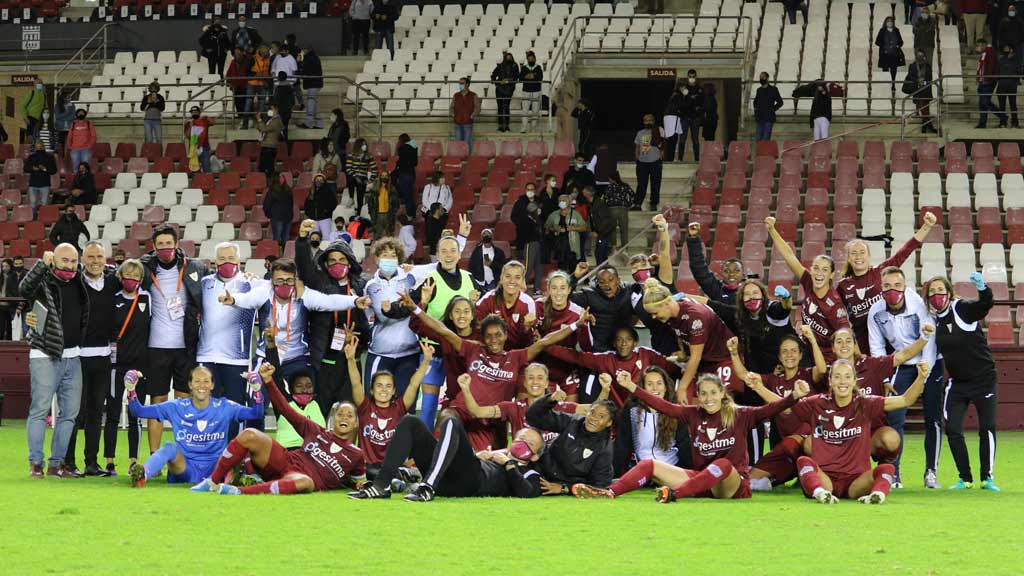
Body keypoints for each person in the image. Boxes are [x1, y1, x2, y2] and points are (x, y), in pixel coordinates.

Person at [572, 372, 807, 501]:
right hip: (701, 481)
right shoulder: (693, 414)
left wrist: (794, 396)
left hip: (732, 487)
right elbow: (663, 405)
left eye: (713, 393)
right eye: (703, 394)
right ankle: (610, 493)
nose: (708, 398)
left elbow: (771, 410)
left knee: (723, 463)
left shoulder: (740, 414)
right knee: (650, 464)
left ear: (722, 394)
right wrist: (633, 388)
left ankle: (675, 495)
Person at [404, 289, 592, 449]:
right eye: (488, 336)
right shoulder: (473, 349)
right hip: (463, 410)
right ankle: (431, 463)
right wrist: (415, 308)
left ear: (505, 336)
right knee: (446, 416)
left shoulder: (515, 357)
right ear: (483, 338)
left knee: (496, 452)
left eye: (498, 335)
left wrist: (576, 324)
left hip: (492, 417)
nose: (493, 340)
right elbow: (443, 330)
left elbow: (545, 342)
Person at [195, 362, 366, 495]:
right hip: (285, 461)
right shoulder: (317, 431)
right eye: (340, 414)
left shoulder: (356, 454)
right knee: (249, 435)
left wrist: (359, 484)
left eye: (349, 415)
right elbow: (285, 409)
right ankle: (212, 481)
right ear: (333, 419)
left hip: (303, 479)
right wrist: (268, 381)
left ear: (356, 423)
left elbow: (358, 481)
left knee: (305, 483)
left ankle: (239, 491)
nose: (344, 418)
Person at [792, 359, 929, 504]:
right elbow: (786, 407)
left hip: (856, 482)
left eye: (847, 376)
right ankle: (820, 493)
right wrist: (793, 395)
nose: (842, 381)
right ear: (830, 381)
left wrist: (921, 377)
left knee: (887, 468)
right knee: (803, 461)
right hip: (826, 479)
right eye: (837, 377)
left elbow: (905, 400)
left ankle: (877, 495)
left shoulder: (865, 403)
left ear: (854, 381)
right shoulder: (817, 402)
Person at [219, 258, 370, 387]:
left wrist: (355, 301)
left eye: (289, 280)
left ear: (295, 279)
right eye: (279, 280)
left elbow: (329, 301)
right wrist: (232, 300)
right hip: (265, 357)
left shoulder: (303, 294)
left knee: (302, 402)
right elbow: (247, 299)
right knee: (257, 399)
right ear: (271, 280)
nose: (284, 284)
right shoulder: (263, 291)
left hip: (298, 358)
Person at [347, 413, 545, 501]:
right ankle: (382, 485)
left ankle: (426, 487)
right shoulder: (496, 453)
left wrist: (509, 463)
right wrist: (487, 455)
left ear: (535, 455)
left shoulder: (529, 472)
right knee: (410, 422)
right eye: (521, 437)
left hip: (472, 482)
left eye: (530, 443)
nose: (522, 442)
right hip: (449, 475)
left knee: (451, 421)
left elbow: (527, 493)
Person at [122, 367, 263, 487]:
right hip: (185, 468)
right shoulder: (176, 406)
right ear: (190, 385)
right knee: (169, 447)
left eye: (206, 381)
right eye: (197, 381)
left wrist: (257, 391)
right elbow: (138, 411)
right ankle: (142, 474)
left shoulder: (224, 406)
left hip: (216, 469)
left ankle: (247, 477)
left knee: (241, 444)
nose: (201, 385)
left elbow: (256, 414)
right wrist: (131, 390)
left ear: (212, 385)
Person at [867, 266, 941, 488]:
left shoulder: (918, 304)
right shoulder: (876, 312)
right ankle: (894, 473)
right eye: (887, 286)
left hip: (929, 363)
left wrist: (924, 376)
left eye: (897, 286)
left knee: (933, 419)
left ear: (905, 286)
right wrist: (885, 379)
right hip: (900, 365)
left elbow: (929, 337)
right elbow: (877, 347)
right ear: (881, 287)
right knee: (894, 419)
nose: (892, 290)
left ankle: (931, 472)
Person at [925, 274, 1000, 491]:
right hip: (957, 384)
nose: (936, 295)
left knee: (987, 427)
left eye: (940, 290)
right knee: (953, 429)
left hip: (984, 379)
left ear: (948, 292)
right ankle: (965, 478)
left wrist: (983, 288)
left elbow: (984, 305)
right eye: (931, 292)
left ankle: (987, 478)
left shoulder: (961, 309)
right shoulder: (933, 321)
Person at [21, 244, 89, 478]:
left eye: (73, 261)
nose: (69, 266)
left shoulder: (80, 282)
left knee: (70, 413)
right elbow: (24, 288)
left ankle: (56, 464)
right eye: (65, 261)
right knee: (40, 409)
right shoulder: (43, 281)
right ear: (54, 261)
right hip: (44, 354)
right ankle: (36, 463)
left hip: (73, 355)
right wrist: (41, 264)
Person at [727, 330, 826, 488]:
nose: (789, 355)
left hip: (808, 439)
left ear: (801, 355)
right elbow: (744, 375)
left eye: (794, 350)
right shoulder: (773, 380)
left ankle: (815, 477)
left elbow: (822, 370)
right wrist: (733, 353)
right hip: (785, 446)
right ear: (779, 357)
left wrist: (812, 340)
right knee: (751, 478)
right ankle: (778, 481)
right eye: (785, 351)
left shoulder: (807, 375)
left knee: (791, 444)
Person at [139, 226, 207, 452]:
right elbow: (121, 276)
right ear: (154, 247)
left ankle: (183, 455)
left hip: (185, 347)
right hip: (155, 346)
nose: (165, 249)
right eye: (161, 245)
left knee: (183, 403)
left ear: (177, 244)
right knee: (157, 403)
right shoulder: (144, 269)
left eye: (169, 244)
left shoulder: (195, 267)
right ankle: (154, 457)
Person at [295, 219, 371, 415]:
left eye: (342, 260)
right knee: (322, 410)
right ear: (326, 263)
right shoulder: (319, 282)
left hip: (351, 359)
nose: (337, 264)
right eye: (332, 260)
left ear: (350, 261)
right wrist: (302, 240)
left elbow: (364, 323)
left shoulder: (360, 285)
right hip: (324, 358)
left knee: (350, 410)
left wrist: (355, 340)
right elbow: (304, 266)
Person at [58, 242, 118, 476]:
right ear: (82, 259)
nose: (95, 260)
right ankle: (67, 462)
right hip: (77, 357)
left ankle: (91, 463)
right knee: (75, 412)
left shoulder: (113, 280)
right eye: (91, 256)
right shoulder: (75, 282)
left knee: (95, 412)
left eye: (99, 256)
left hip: (102, 357)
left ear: (106, 258)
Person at [837, 212, 935, 353]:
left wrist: (926, 227)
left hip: (890, 338)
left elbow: (905, 251)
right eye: (853, 253)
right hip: (862, 344)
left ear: (869, 255)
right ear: (848, 258)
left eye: (862, 252)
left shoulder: (881, 272)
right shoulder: (843, 285)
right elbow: (837, 315)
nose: (858, 256)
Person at [196, 242, 261, 438]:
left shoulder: (250, 284)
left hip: (236, 360)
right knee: (208, 411)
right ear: (215, 261)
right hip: (206, 357)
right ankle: (211, 456)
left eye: (231, 258)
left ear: (239, 261)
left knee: (235, 411)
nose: (226, 262)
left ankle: (234, 456)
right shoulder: (204, 283)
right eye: (222, 258)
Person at [766, 215, 849, 361]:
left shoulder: (835, 304)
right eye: (816, 268)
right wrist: (772, 230)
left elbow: (846, 336)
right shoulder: (809, 281)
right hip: (805, 351)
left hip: (825, 360)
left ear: (831, 275)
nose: (819, 273)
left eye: (824, 270)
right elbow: (789, 256)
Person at [346, 334, 427, 477]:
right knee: (369, 473)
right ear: (371, 389)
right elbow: (356, 383)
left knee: (395, 473)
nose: (384, 390)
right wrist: (351, 359)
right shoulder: (364, 406)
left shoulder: (399, 408)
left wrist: (426, 361)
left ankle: (400, 477)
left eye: (388, 386)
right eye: (379, 385)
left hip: (390, 467)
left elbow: (413, 385)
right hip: (367, 467)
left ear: (394, 390)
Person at [641, 280, 736, 401]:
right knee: (693, 404)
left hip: (723, 359)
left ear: (666, 304)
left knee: (720, 401)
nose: (654, 317)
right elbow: (680, 332)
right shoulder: (672, 309)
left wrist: (682, 388)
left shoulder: (695, 318)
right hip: (704, 361)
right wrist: (684, 352)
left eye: (655, 313)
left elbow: (695, 357)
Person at [543, 325, 681, 407]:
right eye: (619, 340)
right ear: (614, 344)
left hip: (646, 409)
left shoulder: (647, 354)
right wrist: (545, 346)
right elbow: (577, 357)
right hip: (619, 414)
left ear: (635, 342)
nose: (623, 343)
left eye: (628, 340)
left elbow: (672, 368)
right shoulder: (606, 359)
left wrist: (685, 363)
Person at [105, 259, 148, 476]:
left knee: (135, 415)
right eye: (127, 274)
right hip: (116, 366)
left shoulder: (147, 298)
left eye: (135, 275)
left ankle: (133, 461)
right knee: (112, 413)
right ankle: (110, 462)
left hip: (140, 368)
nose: (131, 279)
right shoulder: (112, 300)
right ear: (120, 277)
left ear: (141, 278)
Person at [528, 392, 616, 494]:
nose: (594, 418)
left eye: (601, 416)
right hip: (542, 470)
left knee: (529, 491)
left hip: (565, 483)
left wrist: (564, 488)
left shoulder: (605, 448)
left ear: (609, 422)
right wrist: (549, 400)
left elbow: (599, 486)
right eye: (592, 412)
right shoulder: (572, 422)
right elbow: (533, 418)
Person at [611, 366, 692, 476]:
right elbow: (622, 444)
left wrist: (689, 474)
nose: (655, 388)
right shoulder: (632, 410)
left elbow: (685, 446)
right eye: (649, 384)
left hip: (672, 470)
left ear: (666, 387)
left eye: (659, 383)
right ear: (642, 388)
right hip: (642, 470)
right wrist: (617, 474)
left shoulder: (675, 411)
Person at [684, 222, 746, 306]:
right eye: (727, 271)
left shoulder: (750, 290)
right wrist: (694, 239)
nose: (731, 274)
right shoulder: (716, 289)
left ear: (743, 275)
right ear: (722, 274)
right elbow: (699, 269)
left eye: (736, 271)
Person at [511, 183, 544, 292]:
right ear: (525, 190)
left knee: (539, 265)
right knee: (528, 265)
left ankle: (537, 288)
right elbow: (514, 217)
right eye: (528, 189)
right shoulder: (520, 202)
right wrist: (523, 224)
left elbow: (544, 217)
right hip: (527, 238)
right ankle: (520, 288)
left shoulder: (539, 201)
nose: (530, 191)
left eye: (532, 189)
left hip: (540, 239)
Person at [545, 194, 587, 271]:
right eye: (560, 201)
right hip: (559, 245)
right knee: (561, 267)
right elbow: (546, 226)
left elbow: (584, 227)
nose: (562, 202)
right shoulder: (554, 214)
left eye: (564, 201)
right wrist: (554, 228)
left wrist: (573, 228)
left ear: (569, 202)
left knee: (573, 267)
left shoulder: (575, 214)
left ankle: (574, 281)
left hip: (572, 245)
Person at [633, 114, 663, 211]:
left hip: (655, 162)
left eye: (650, 120)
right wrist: (637, 157)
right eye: (646, 120)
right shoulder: (640, 133)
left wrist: (661, 156)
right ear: (643, 122)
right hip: (642, 163)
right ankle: (637, 204)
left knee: (655, 184)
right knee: (641, 184)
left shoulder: (659, 131)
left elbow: (664, 144)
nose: (648, 122)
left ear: (653, 121)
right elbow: (637, 147)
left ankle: (653, 203)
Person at [904, 50, 937, 133]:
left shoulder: (928, 66)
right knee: (923, 109)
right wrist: (918, 80)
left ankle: (926, 126)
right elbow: (910, 76)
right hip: (917, 90)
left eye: (921, 55)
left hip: (926, 90)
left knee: (925, 109)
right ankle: (927, 126)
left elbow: (930, 78)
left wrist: (924, 81)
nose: (920, 57)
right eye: (918, 55)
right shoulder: (912, 66)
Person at [420, 172, 452, 258]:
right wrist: (433, 210)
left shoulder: (447, 188)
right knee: (431, 233)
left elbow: (449, 200)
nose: (444, 180)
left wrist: (444, 209)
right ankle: (433, 253)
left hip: (442, 213)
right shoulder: (428, 187)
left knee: (439, 233)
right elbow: (424, 200)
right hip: (431, 213)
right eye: (442, 178)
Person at [975, 38, 1004, 129]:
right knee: (982, 104)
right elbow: (981, 67)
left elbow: (991, 67)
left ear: (983, 45)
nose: (977, 48)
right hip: (983, 81)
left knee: (985, 102)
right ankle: (982, 123)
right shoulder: (984, 53)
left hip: (988, 81)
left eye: (978, 45)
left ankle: (1003, 117)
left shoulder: (990, 52)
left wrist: (987, 79)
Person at [676, 69, 703, 162]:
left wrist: (699, 111)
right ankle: (680, 159)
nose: (692, 78)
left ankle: (696, 159)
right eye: (690, 77)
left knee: (695, 139)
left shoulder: (700, 89)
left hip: (695, 118)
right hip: (685, 117)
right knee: (682, 139)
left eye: (693, 76)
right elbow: (681, 102)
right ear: (687, 77)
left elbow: (702, 103)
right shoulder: (684, 88)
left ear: (696, 77)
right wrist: (691, 99)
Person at [344, 138, 375, 215]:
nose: (364, 146)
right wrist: (356, 177)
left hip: (363, 178)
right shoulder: (351, 155)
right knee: (350, 178)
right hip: (354, 176)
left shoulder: (368, 156)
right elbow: (348, 169)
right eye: (362, 144)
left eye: (365, 144)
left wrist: (370, 180)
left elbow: (375, 169)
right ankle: (351, 198)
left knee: (360, 197)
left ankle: (359, 213)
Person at [26, 141, 57, 218]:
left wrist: (45, 169)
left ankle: (44, 217)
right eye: (37, 147)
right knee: (33, 203)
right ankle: (33, 218)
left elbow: (54, 170)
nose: (38, 149)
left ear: (43, 146)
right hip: (33, 183)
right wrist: (32, 168)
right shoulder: (31, 157)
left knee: (44, 204)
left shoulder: (49, 157)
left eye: (39, 147)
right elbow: (25, 168)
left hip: (45, 183)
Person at [304, 172, 338, 240]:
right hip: (313, 219)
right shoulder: (311, 192)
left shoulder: (328, 191)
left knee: (326, 237)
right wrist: (309, 214)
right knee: (312, 237)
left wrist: (326, 211)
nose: (319, 181)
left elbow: (333, 203)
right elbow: (306, 205)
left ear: (324, 181)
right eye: (317, 179)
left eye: (321, 180)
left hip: (325, 219)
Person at [491, 52, 519, 133]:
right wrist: (499, 82)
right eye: (507, 57)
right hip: (499, 89)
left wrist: (508, 80)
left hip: (509, 89)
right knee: (500, 107)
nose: (509, 59)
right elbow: (493, 76)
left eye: (510, 57)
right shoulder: (500, 66)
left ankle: (506, 126)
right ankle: (500, 126)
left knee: (506, 107)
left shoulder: (514, 65)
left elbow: (516, 77)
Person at [263, 172, 293, 247]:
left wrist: (291, 214)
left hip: (288, 218)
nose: (282, 178)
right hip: (277, 219)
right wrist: (270, 215)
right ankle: (275, 255)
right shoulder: (272, 192)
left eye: (282, 177)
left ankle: (285, 256)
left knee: (285, 239)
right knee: (276, 238)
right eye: (280, 177)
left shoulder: (288, 190)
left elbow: (291, 203)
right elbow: (266, 205)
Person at [753, 72, 784, 141]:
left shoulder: (773, 89)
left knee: (766, 138)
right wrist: (756, 110)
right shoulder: (759, 90)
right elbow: (755, 101)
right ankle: (759, 152)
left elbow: (780, 102)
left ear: (767, 78)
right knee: (757, 138)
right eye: (760, 77)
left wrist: (772, 109)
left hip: (769, 118)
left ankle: (764, 152)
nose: (761, 78)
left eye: (763, 77)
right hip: (759, 117)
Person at [297, 47, 323, 129]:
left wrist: (299, 63)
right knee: (315, 104)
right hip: (316, 83)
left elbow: (305, 71)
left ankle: (308, 123)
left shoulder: (308, 59)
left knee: (310, 104)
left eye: (303, 50)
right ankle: (319, 124)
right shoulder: (315, 57)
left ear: (307, 51)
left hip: (312, 84)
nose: (302, 52)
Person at [450, 76, 480, 146]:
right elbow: (451, 107)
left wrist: (473, 115)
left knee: (467, 143)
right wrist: (452, 114)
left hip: (468, 123)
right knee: (458, 143)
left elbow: (478, 107)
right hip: (457, 122)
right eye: (459, 83)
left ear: (467, 84)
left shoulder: (473, 95)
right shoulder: (456, 95)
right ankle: (459, 156)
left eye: (462, 83)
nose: (460, 85)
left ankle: (467, 157)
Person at [368, 167, 398, 238]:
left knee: (390, 236)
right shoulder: (375, 189)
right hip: (378, 215)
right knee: (377, 236)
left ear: (388, 177)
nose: (384, 177)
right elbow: (370, 204)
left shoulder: (392, 189)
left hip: (388, 214)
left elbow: (396, 204)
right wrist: (372, 215)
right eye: (382, 175)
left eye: (386, 176)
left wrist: (393, 212)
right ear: (380, 177)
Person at [255, 103, 285, 174]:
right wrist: (259, 122)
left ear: (276, 110)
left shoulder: (276, 121)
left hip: (270, 147)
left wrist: (259, 120)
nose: (270, 111)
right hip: (266, 145)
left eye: (271, 109)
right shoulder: (271, 120)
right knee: (262, 167)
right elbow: (261, 128)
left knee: (267, 168)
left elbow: (264, 129)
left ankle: (269, 182)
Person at [226, 49, 252, 130]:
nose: (237, 54)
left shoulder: (247, 61)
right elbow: (229, 73)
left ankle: (247, 120)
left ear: (242, 53)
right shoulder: (233, 62)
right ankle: (242, 119)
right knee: (238, 103)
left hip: (245, 86)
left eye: (238, 53)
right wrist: (229, 82)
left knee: (246, 104)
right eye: (235, 53)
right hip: (236, 87)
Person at [876, 17, 906, 85]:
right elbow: (877, 42)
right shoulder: (882, 31)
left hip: (894, 54)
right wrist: (884, 46)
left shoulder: (896, 30)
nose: (890, 22)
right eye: (888, 21)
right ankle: (886, 85)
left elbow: (901, 42)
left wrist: (898, 45)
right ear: (885, 22)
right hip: (885, 54)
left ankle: (893, 84)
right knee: (885, 71)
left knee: (893, 70)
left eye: (891, 21)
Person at [519, 50, 544, 132]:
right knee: (525, 110)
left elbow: (540, 77)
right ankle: (524, 127)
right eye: (529, 59)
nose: (531, 60)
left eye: (532, 58)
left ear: (535, 59)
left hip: (536, 90)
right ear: (527, 59)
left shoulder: (538, 67)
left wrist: (533, 76)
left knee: (535, 110)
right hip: (526, 90)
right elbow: (520, 78)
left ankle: (533, 128)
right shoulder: (524, 68)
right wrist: (527, 76)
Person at [997, 44, 1020, 128]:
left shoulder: (1016, 60)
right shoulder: (1001, 60)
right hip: (1002, 86)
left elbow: (1019, 71)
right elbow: (997, 71)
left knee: (1013, 105)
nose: (1005, 50)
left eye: (1007, 48)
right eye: (1004, 48)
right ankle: (1002, 123)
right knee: (1001, 106)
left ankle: (1015, 123)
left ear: (1011, 50)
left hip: (1012, 86)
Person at [184, 106, 213, 173]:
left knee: (206, 168)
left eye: (196, 112)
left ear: (199, 113)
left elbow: (213, 122)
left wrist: (207, 117)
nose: (194, 114)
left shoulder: (204, 121)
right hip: (193, 148)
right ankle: (195, 182)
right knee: (194, 170)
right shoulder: (188, 123)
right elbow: (188, 136)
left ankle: (207, 183)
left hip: (205, 147)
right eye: (193, 112)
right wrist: (191, 127)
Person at [395, 133, 418, 215]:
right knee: (410, 195)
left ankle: (409, 215)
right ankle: (412, 214)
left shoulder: (402, 149)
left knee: (407, 196)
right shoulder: (414, 148)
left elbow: (401, 163)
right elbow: (415, 163)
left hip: (404, 174)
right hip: (411, 174)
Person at [248, 45, 272, 117]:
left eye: (267, 51)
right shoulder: (253, 58)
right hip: (252, 83)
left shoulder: (269, 59)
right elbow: (247, 71)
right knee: (248, 102)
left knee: (262, 103)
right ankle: (246, 120)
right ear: (260, 50)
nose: (267, 52)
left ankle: (261, 119)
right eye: (265, 51)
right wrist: (256, 75)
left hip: (263, 84)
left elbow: (269, 71)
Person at [272, 71, 296, 141]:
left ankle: (281, 145)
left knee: (279, 129)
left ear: (279, 78)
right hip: (288, 111)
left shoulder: (278, 89)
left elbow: (276, 101)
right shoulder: (290, 88)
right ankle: (285, 143)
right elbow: (293, 101)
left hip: (280, 112)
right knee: (285, 127)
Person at [0, 259, 17, 341]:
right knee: (1, 325)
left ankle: (10, 340)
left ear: (11, 266)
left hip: (10, 305)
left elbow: (15, 290)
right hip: (1, 305)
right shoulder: (0, 276)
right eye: (3, 266)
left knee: (10, 325)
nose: (4, 268)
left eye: (6, 266)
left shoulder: (14, 276)